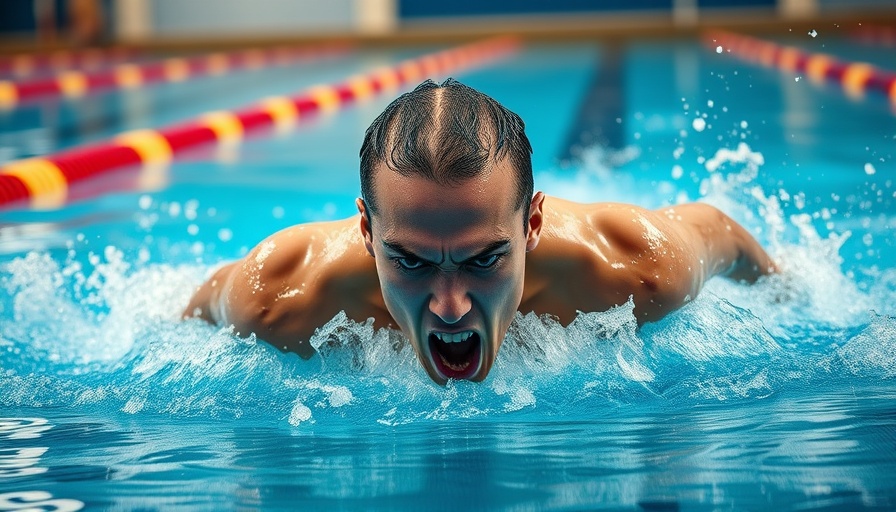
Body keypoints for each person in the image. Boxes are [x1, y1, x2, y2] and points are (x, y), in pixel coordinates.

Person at [183, 78, 776, 385]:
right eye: (411, 262)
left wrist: (788, 290)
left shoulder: (637, 268)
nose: (449, 306)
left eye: (484, 259)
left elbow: (720, 231)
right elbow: (196, 311)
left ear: (533, 225)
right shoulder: (279, 296)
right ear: (366, 231)